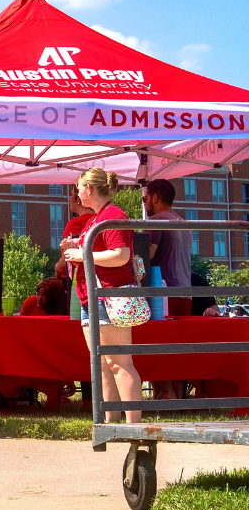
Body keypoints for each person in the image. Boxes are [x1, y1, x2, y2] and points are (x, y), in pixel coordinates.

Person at [62, 168, 145, 423]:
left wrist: (81, 254)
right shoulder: (97, 218)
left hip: (110, 295)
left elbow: (121, 254)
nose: (76, 194)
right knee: (102, 364)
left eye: (78, 188)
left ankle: (133, 426)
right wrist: (76, 246)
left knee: (119, 362)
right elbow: (104, 249)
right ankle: (110, 423)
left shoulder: (112, 215)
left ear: (89, 189)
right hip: (92, 297)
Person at [144, 179, 191, 317]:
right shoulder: (185, 225)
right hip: (186, 295)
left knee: (161, 337)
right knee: (181, 339)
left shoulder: (155, 221)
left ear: (155, 198)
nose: (144, 203)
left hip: (164, 296)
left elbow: (147, 255)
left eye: (144, 198)